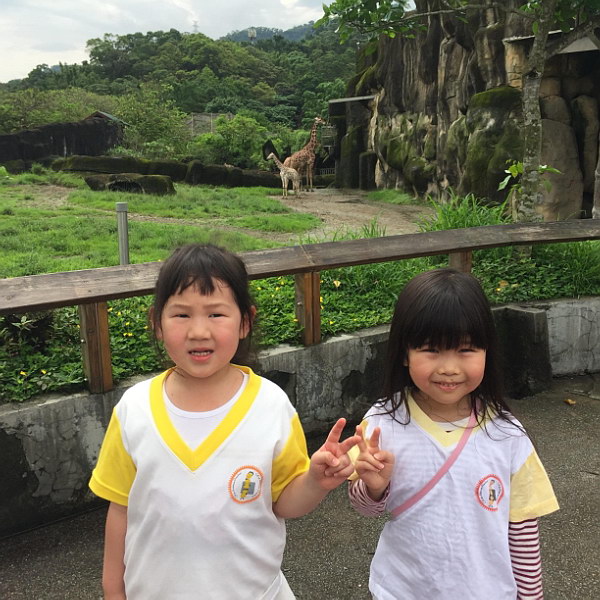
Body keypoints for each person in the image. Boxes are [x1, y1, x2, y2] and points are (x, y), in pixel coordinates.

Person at [89, 243, 359, 600]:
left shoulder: (270, 406)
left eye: (216, 314)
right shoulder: (134, 409)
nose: (199, 331)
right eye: (181, 315)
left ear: (245, 321)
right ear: (157, 323)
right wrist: (113, 589)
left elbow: (284, 503)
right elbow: (121, 507)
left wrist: (315, 481)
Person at [348, 268, 559, 600]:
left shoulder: (507, 434)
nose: (449, 368)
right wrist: (374, 489)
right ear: (404, 353)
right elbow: (367, 509)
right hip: (402, 590)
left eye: (465, 350)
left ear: (487, 351)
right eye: (432, 350)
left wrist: (531, 596)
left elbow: (522, 529)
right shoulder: (382, 423)